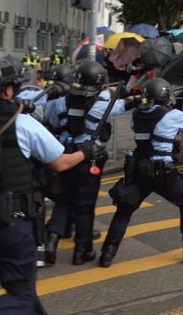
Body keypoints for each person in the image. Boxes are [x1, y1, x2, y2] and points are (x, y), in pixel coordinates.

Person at [0, 57, 105, 313]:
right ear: (6, 89)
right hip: (12, 224)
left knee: (24, 289)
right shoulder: (21, 123)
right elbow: (60, 163)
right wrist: (86, 151)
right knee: (20, 297)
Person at [99, 77, 183, 267]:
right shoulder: (170, 115)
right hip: (163, 173)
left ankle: (107, 253)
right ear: (164, 96)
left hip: (139, 171)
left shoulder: (136, 115)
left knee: (125, 209)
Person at [44, 60, 141, 266]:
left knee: (64, 199)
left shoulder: (60, 100)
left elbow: (51, 123)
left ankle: (51, 241)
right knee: (85, 206)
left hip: (64, 156)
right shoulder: (100, 106)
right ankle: (82, 250)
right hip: (89, 158)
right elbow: (123, 105)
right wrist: (139, 97)